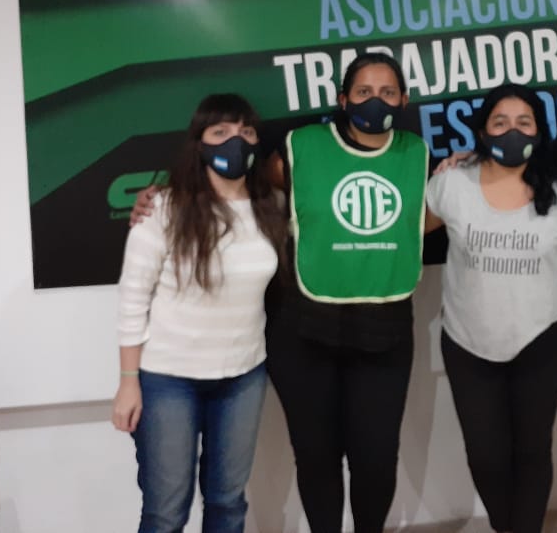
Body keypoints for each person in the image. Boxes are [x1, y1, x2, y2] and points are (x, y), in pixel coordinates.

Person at [264, 52, 428, 533]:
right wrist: (168, 195)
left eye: (387, 92)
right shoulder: (301, 147)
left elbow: (426, 215)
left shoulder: (415, 153)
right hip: (303, 328)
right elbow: (240, 187)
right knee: (316, 457)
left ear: (404, 100)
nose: (376, 101)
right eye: (363, 92)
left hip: (385, 329)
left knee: (376, 458)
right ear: (342, 99)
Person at [424, 83, 557, 533]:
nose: (512, 131)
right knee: (486, 455)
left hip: (541, 341)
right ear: (482, 131)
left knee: (532, 451)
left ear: (539, 131)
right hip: (467, 343)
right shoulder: (452, 185)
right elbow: (400, 234)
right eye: (500, 122)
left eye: (524, 122)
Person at [112, 93, 287, 533]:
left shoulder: (273, 206)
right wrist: (128, 382)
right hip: (169, 380)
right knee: (166, 511)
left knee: (228, 503)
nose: (235, 141)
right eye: (220, 131)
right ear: (199, 142)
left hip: (243, 376)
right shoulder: (163, 208)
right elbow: (133, 298)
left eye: (246, 132)